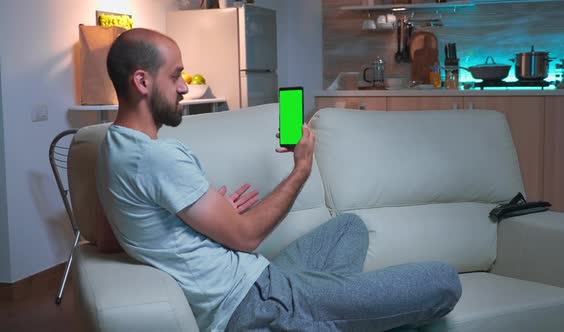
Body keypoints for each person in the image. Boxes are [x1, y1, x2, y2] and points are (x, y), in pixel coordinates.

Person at [96, 28, 462, 332]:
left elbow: (120, 237)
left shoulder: (113, 147)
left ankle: (325, 315)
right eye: (175, 76)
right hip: (256, 301)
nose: (184, 88)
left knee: (349, 226)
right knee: (444, 281)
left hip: (261, 281)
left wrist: (205, 220)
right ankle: (310, 316)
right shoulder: (157, 157)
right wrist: (302, 168)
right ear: (142, 81)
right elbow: (247, 237)